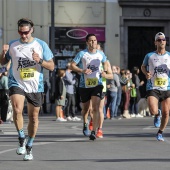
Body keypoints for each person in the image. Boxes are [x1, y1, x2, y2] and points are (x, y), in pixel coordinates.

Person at [0, 18, 54, 160]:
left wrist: (40, 61)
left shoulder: (41, 45)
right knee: (17, 109)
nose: (23, 35)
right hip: (16, 82)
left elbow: (52, 66)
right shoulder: (13, 45)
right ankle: (21, 138)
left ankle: (29, 146)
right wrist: (2, 52)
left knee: (33, 117)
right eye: (20, 32)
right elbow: (3, 61)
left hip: (35, 85)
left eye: (26, 32)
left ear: (32, 30)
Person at [70, 34, 111, 140]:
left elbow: (106, 62)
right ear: (87, 42)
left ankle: (94, 131)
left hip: (97, 84)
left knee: (96, 108)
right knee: (85, 109)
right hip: (84, 84)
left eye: (95, 40)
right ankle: (85, 123)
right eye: (91, 41)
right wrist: (82, 70)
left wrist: (105, 70)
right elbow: (72, 65)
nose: (93, 42)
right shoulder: (82, 54)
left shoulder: (101, 54)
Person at [141, 32, 170, 141]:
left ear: (165, 42)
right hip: (153, 87)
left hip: (167, 87)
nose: (161, 41)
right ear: (155, 43)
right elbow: (143, 66)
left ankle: (160, 132)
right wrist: (146, 73)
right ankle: (157, 114)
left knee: (167, 113)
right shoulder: (149, 56)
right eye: (159, 40)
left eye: (163, 39)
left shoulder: (169, 56)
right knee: (153, 110)